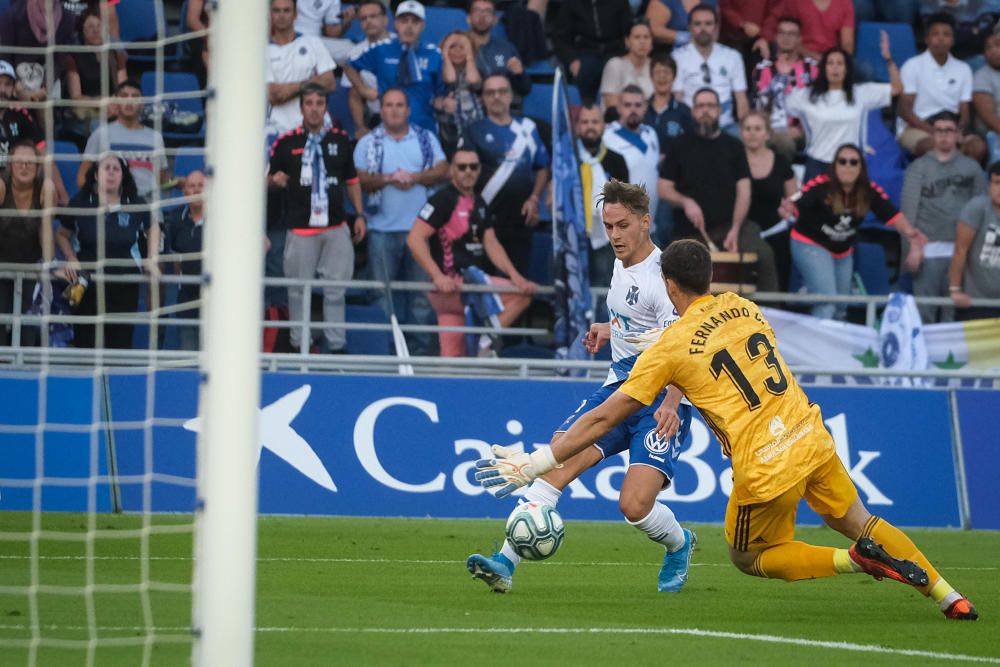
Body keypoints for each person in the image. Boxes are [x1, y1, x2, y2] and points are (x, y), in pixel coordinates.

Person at [476, 238, 979, 622]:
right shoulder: (744, 306)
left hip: (764, 465)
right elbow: (704, 338)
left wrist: (538, 462)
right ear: (710, 276)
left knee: (747, 557)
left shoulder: (670, 347)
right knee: (861, 519)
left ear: (670, 287)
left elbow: (607, 414)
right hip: (810, 435)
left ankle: (854, 562)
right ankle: (948, 596)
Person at [467, 180, 696, 595]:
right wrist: (610, 329)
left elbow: (682, 347)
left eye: (623, 225)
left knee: (634, 506)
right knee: (559, 459)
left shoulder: (665, 279)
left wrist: (672, 401)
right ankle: (504, 562)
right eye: (608, 226)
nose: (614, 235)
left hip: (660, 395)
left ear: (646, 223)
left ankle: (680, 544)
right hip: (619, 386)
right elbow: (640, 324)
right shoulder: (619, 262)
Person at [407, 148, 536, 357]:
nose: (468, 171)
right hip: (451, 286)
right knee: (520, 295)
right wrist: (437, 275)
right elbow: (414, 238)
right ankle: (486, 337)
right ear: (451, 171)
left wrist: (514, 275)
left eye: (473, 167)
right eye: (462, 167)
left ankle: (479, 345)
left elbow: (492, 244)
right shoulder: (442, 200)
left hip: (463, 292)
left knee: (452, 360)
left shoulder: (480, 202)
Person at [269, 85, 365, 355]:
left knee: (336, 290)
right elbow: (267, 181)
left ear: (326, 108)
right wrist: (274, 181)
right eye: (308, 103)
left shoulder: (340, 139)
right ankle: (300, 343)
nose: (314, 108)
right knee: (298, 290)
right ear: (301, 108)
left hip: (335, 227)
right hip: (301, 229)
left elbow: (352, 180)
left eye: (319, 103)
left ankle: (336, 346)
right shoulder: (286, 142)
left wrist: (359, 214)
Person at [354, 88, 448, 356]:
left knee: (421, 298)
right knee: (382, 297)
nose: (394, 110)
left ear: (408, 110)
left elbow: (444, 170)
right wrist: (389, 179)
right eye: (388, 105)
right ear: (380, 110)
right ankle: (387, 355)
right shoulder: (368, 142)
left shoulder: (425, 138)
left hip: (418, 234)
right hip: (380, 231)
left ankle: (418, 359)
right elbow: (358, 178)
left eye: (399, 105)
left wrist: (414, 177)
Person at [786, 144, 927, 320]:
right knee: (827, 301)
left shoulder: (868, 190)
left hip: (842, 251)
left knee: (841, 307)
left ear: (861, 168)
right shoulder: (820, 185)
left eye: (854, 162)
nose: (847, 166)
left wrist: (912, 236)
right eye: (842, 162)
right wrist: (788, 207)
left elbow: (892, 215)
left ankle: (836, 345)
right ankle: (820, 345)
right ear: (834, 166)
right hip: (810, 244)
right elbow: (797, 203)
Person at [56, 152, 160, 349]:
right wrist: (70, 257)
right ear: (96, 174)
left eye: (116, 169)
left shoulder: (136, 204)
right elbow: (61, 234)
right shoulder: (80, 203)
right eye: (106, 168)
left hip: (124, 286)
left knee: (119, 345)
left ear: (123, 175)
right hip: (86, 285)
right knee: (85, 343)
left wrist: (151, 258)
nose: (111, 173)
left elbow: (153, 227)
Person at [901, 111, 985, 324]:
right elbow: (908, 210)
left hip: (960, 250)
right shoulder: (918, 167)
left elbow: (981, 211)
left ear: (958, 134)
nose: (944, 135)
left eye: (949, 130)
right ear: (932, 134)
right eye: (938, 130)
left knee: (954, 315)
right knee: (925, 313)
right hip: (927, 248)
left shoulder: (972, 168)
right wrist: (911, 248)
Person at [465, 74, 550, 276]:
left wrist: (535, 198)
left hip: (521, 220)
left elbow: (542, 166)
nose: (496, 97)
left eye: (502, 91)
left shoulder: (529, 129)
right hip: (485, 221)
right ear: (482, 99)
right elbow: (462, 171)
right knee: (486, 286)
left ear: (511, 96)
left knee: (517, 283)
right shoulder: (473, 131)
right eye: (490, 92)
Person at [785, 44, 900, 182]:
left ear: (847, 69)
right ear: (823, 68)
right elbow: (781, 108)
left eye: (840, 63)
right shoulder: (805, 95)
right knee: (810, 203)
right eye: (830, 63)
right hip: (817, 163)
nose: (835, 67)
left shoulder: (861, 92)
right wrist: (792, 127)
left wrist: (888, 59)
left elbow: (897, 88)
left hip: (850, 164)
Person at [658, 87, 750, 252]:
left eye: (710, 106)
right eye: (700, 106)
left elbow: (744, 191)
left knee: (763, 254)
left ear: (719, 110)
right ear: (693, 111)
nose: (705, 111)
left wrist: (735, 228)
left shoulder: (734, 146)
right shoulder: (678, 145)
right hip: (687, 233)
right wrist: (686, 202)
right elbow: (663, 188)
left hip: (727, 229)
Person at [345, 0, 445, 135]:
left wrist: (442, 101)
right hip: (388, 129)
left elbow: (441, 92)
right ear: (396, 24)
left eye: (415, 21)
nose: (409, 26)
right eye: (404, 21)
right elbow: (349, 65)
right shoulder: (381, 49)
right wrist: (363, 89)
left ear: (423, 26)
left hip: (425, 128)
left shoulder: (434, 54)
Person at [0, 140, 55, 347]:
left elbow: (46, 230)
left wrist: (49, 266)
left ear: (38, 167)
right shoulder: (1, 186)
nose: (24, 167)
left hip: (30, 269)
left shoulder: (45, 189)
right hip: (1, 267)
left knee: (27, 331)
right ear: (10, 166)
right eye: (19, 162)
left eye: (30, 163)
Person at [897, 13, 975, 158]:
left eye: (946, 34)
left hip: (952, 125)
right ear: (926, 39)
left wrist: (957, 131)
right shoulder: (912, 65)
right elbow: (905, 110)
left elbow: (965, 112)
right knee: (932, 146)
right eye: (935, 34)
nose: (940, 38)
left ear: (952, 40)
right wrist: (935, 132)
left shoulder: (963, 69)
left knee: (977, 147)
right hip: (919, 127)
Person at [79, 79, 169, 200]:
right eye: (124, 96)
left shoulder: (155, 138)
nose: (129, 100)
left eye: (135, 96)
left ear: (142, 104)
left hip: (148, 209)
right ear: (116, 103)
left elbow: (161, 180)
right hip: (112, 208)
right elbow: (82, 178)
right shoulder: (100, 134)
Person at [266, 0, 337, 144]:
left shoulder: (312, 42)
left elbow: (330, 83)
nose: (282, 15)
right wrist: (313, 81)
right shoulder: (261, 50)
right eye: (277, 11)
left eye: (286, 10)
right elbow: (274, 95)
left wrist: (292, 88)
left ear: (295, 13)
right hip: (279, 128)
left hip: (316, 127)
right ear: (270, 14)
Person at [671, 4, 748, 133]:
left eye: (708, 24)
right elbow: (677, 98)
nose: (703, 29)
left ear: (716, 27)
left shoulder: (733, 57)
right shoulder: (677, 58)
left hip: (726, 126)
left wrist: (745, 128)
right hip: (691, 126)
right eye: (697, 24)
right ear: (690, 28)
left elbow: (741, 99)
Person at [576, 104, 630, 289]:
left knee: (604, 288)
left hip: (606, 237)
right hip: (573, 234)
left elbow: (626, 203)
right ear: (577, 126)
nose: (590, 126)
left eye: (595, 121)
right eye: (584, 122)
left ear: (603, 126)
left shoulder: (616, 160)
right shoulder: (567, 161)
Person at [751, 16, 818, 162]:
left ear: (800, 38)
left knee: (784, 142)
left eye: (792, 34)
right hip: (768, 129)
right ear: (775, 37)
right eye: (782, 33)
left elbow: (819, 105)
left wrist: (801, 129)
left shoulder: (812, 69)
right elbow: (758, 107)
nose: (786, 38)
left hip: (803, 130)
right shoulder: (762, 69)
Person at [742, 110, 795, 292]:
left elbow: (793, 199)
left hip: (776, 234)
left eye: (758, 128)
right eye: (748, 128)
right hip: (742, 235)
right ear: (741, 133)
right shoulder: (733, 161)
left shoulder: (781, 162)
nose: (752, 133)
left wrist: (789, 210)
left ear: (767, 133)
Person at [552, 0, 633, 103]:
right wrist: (571, 59)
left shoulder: (619, 2)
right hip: (586, 52)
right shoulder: (572, 3)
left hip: (615, 51)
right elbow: (560, 37)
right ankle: (584, 113)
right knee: (584, 70)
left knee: (617, 68)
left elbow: (629, 32)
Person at [64, 5, 127, 136]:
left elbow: (124, 90)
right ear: (82, 32)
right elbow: (76, 97)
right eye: (90, 27)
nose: (96, 30)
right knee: (98, 126)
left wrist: (113, 105)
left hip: (113, 108)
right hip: (88, 110)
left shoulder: (116, 55)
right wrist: (101, 103)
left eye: (99, 26)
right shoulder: (73, 57)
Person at [948, 162, 1000, 321]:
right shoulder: (977, 208)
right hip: (976, 302)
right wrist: (955, 290)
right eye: (997, 183)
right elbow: (960, 250)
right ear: (988, 185)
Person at [0, 0, 75, 105]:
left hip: (46, 81)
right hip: (15, 81)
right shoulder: (13, 14)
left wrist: (44, 87)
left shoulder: (67, 19)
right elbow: (5, 56)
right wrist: (17, 85)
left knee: (43, 102)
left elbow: (58, 60)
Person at [602, 85, 660, 221]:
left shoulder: (651, 134)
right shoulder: (607, 136)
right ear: (619, 108)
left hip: (650, 223)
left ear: (645, 107)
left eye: (638, 105)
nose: (633, 109)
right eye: (627, 105)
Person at [166, 170, 206, 351]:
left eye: (201, 186)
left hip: (219, 306)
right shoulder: (175, 221)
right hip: (187, 303)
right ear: (184, 192)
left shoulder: (225, 219)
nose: (196, 190)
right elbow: (176, 263)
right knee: (189, 361)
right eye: (191, 186)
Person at [341, 0, 391, 139]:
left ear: (385, 20)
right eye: (363, 18)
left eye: (373, 16)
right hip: (377, 117)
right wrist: (361, 127)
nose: (368, 21)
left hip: (407, 115)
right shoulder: (355, 53)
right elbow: (354, 94)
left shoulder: (400, 45)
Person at [466, 0, 531, 98]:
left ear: (495, 20)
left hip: (498, 104)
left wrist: (519, 74)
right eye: (477, 11)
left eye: (488, 11)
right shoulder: (457, 47)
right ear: (468, 18)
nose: (482, 16)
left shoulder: (506, 48)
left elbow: (525, 89)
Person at [437, 30, 483, 158]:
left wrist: (469, 57)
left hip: (470, 124)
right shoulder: (437, 68)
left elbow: (474, 81)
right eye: (452, 46)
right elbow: (450, 79)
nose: (457, 50)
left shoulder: (474, 68)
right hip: (445, 126)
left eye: (462, 47)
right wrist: (445, 55)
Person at [763, 0, 855, 60]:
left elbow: (847, 43)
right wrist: (816, 57)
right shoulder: (796, 2)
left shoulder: (844, 3)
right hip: (801, 56)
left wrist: (839, 61)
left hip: (831, 59)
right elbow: (790, 39)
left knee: (864, 72)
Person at [599, 21, 655, 115]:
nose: (642, 42)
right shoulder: (615, 65)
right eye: (637, 37)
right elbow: (611, 104)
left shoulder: (656, 66)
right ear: (627, 42)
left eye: (646, 37)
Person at [0, 61, 44, 173]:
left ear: (14, 89)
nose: (2, 90)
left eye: (8, 84)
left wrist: (48, 181)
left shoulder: (19, 113)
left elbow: (41, 147)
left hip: (15, 178)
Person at [972, 31, 1000, 165]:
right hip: (994, 136)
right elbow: (990, 117)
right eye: (988, 47)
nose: (993, 50)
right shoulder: (982, 77)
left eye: (997, 45)